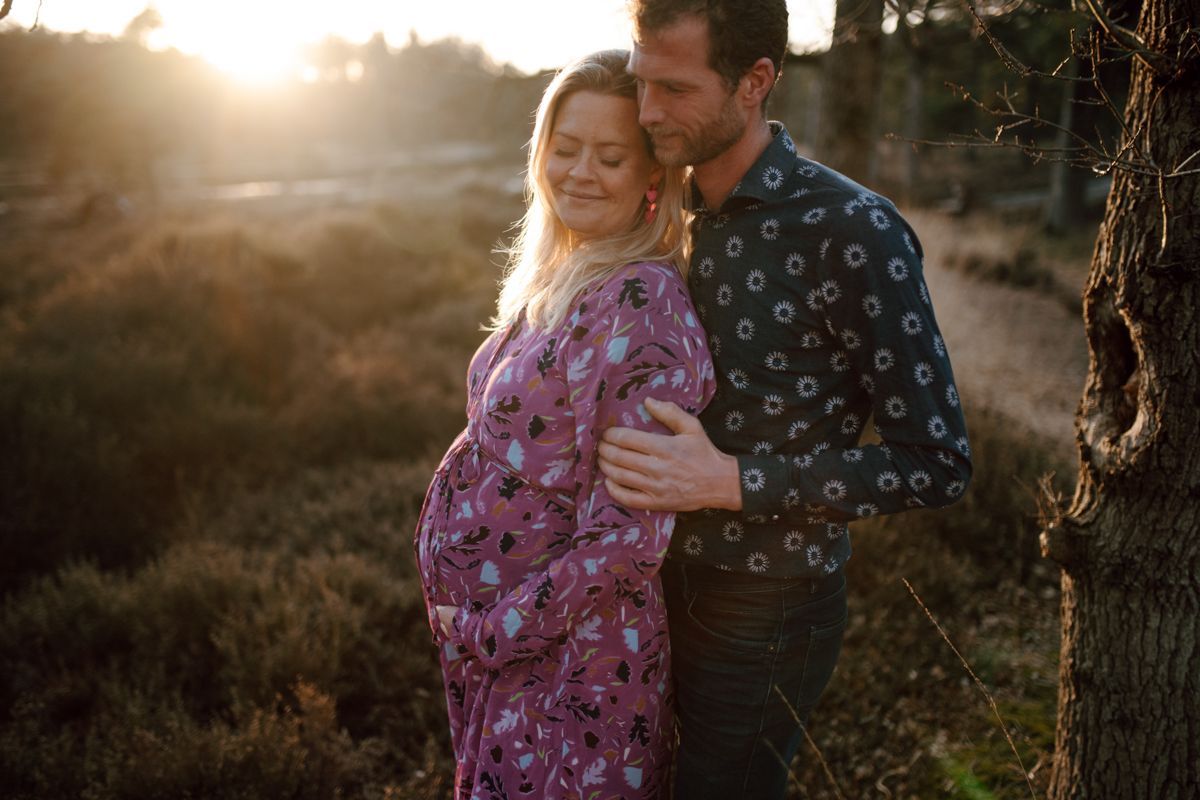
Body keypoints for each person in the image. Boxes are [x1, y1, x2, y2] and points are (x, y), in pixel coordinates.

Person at [597, 2, 973, 797]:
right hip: (635, 584)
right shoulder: (658, 207)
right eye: (640, 84)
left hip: (764, 608)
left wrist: (729, 481)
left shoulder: (853, 228)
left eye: (674, 87)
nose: (647, 112)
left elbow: (937, 461)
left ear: (754, 83)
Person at [414, 49, 715, 799]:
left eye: (609, 156)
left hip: (573, 670)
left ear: (655, 176)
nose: (578, 171)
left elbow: (628, 539)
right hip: (511, 662)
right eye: (564, 147)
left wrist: (494, 632)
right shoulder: (565, 275)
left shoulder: (642, 303)